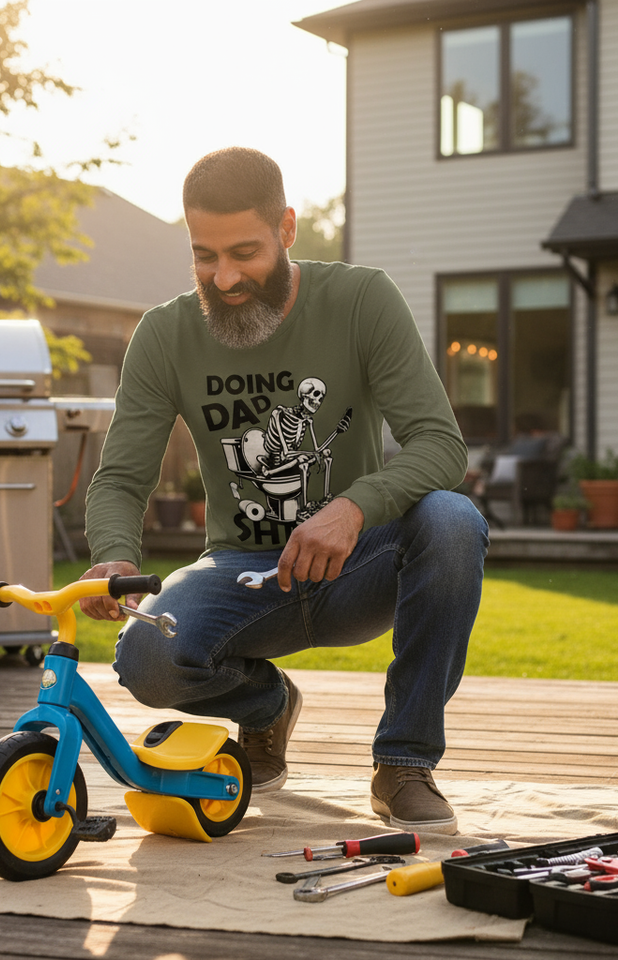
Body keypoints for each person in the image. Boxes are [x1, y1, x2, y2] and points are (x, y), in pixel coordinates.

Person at [79, 147, 488, 834]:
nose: (226, 276)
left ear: (288, 229)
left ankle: (404, 763)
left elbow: (443, 447)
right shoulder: (164, 334)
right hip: (243, 575)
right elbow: (121, 476)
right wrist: (115, 555)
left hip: (356, 561)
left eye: (245, 252)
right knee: (145, 658)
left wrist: (353, 508)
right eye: (204, 255)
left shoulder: (361, 300)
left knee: (451, 521)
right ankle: (264, 708)